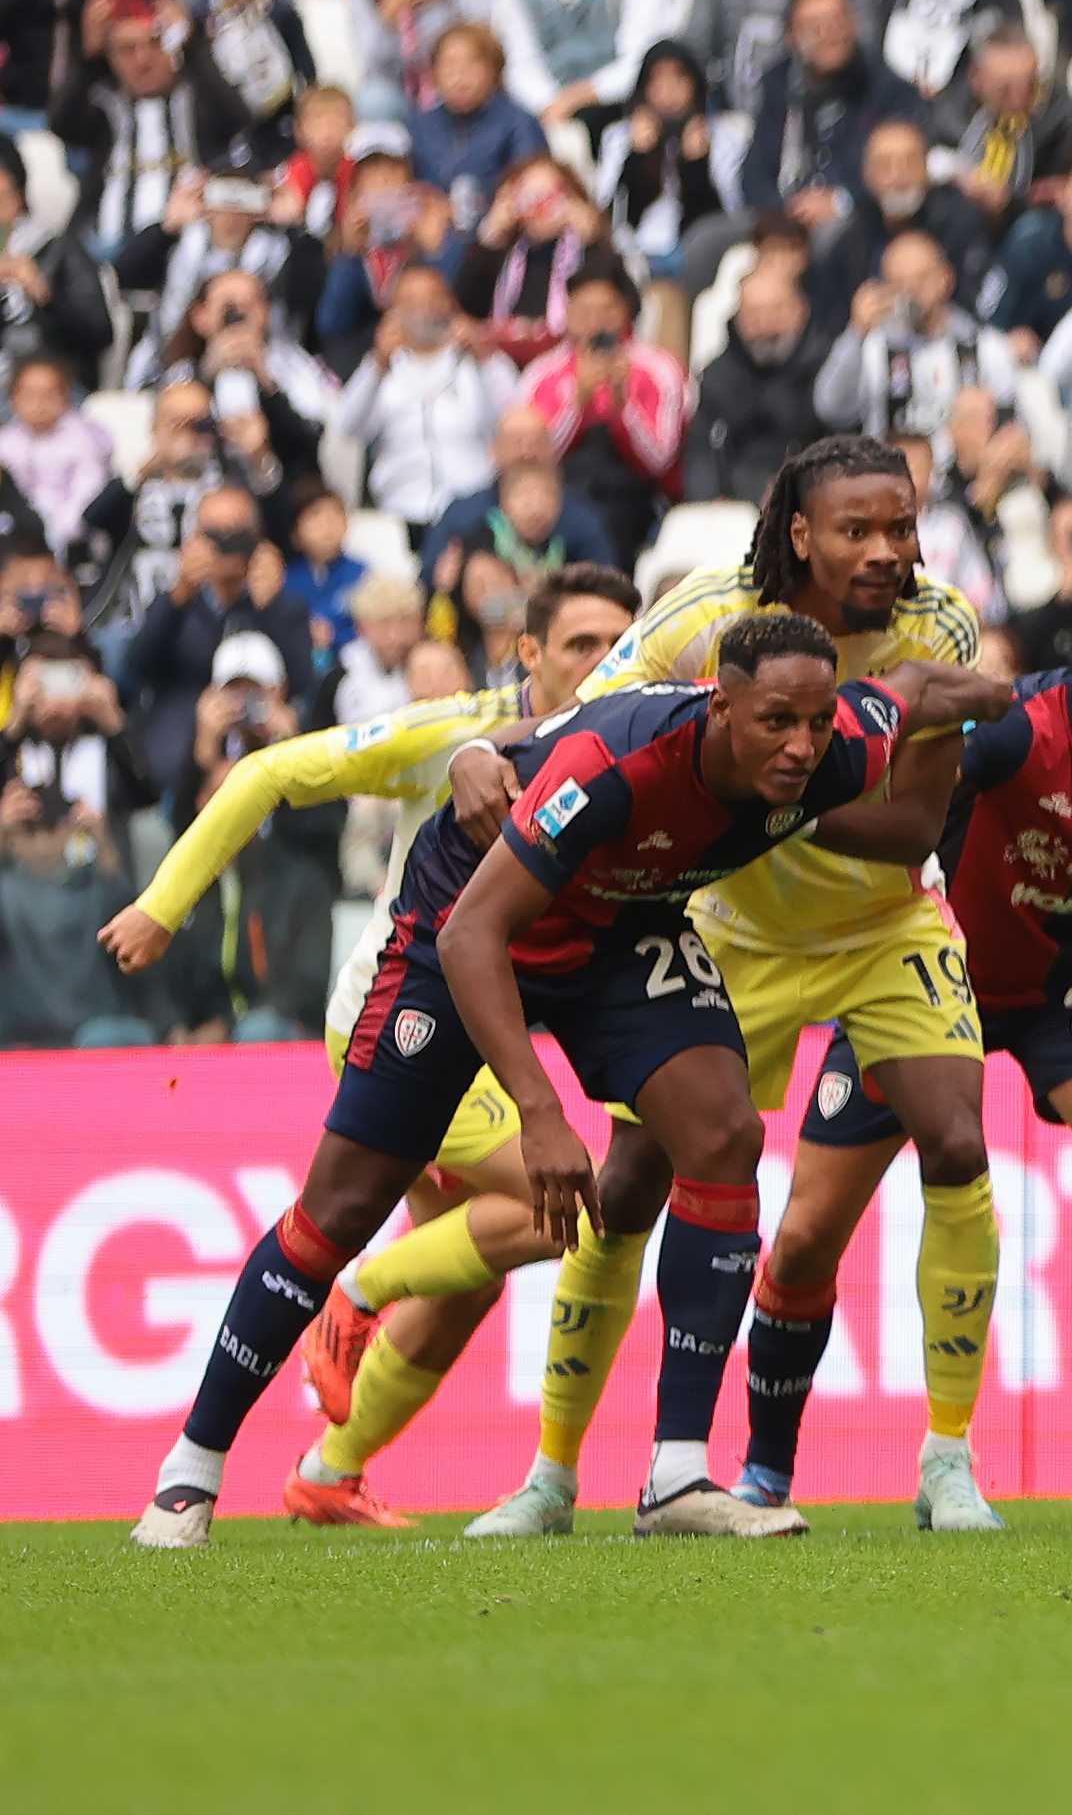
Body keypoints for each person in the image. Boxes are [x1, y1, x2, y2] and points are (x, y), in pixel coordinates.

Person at [127, 605, 1006, 1552]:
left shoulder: (841, 747)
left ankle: (675, 1476)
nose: (798, 747)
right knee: (337, 1208)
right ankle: (190, 1470)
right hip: (465, 933)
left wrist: (1001, 692)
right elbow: (475, 931)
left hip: (623, 930)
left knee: (723, 1135)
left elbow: (911, 690)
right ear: (720, 705)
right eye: (774, 723)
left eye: (813, 721)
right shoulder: (616, 766)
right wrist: (541, 1115)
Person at [447, 436, 996, 1540]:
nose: (888, 551)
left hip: (880, 920)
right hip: (727, 920)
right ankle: (552, 1475)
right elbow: (581, 727)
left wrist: (757, 794)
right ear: (799, 533)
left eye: (901, 528)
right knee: (633, 1178)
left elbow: (912, 824)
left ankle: (947, 1462)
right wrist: (478, 747)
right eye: (858, 531)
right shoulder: (707, 617)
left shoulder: (940, 627)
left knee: (957, 1138)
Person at [94, 562, 641, 1526]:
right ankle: (357, 1288)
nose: (603, 666)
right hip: (405, 1013)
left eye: (618, 646)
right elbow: (267, 769)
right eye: (579, 646)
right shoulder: (457, 733)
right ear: (527, 654)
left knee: (469, 1273)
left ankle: (329, 1472)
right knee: (571, 1206)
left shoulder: (632, 739)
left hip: (506, 1024)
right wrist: (160, 904)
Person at [747, 566, 1072, 1529]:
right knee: (806, 1232)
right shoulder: (1012, 731)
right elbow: (899, 811)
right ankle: (764, 1473)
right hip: (927, 982)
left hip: (1069, 981)